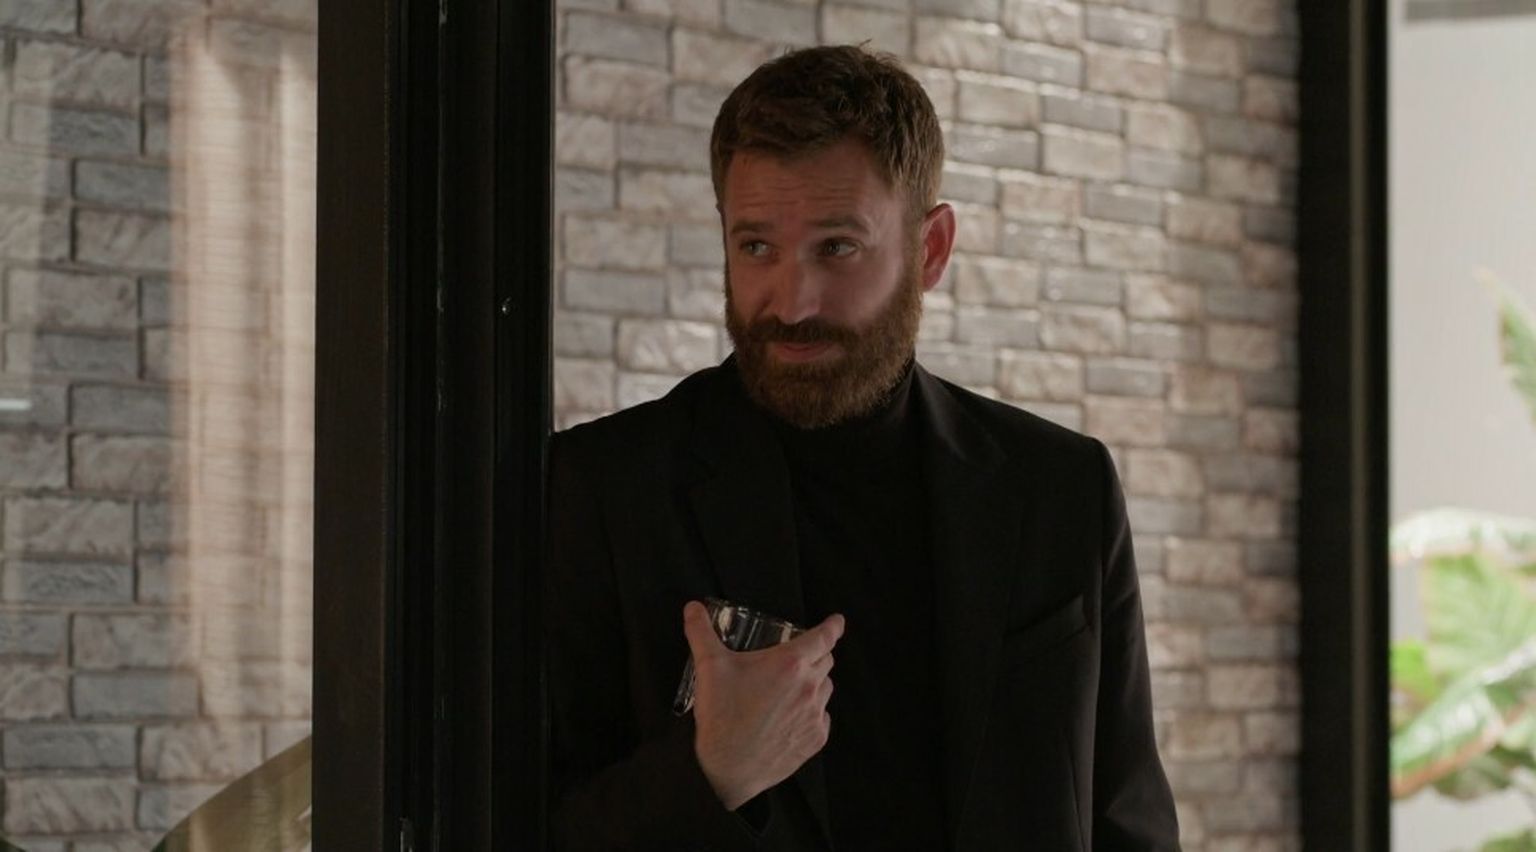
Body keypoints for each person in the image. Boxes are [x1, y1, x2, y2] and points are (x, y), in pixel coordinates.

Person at [545, 44, 1179, 851]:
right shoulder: (606, 489)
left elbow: (1129, 821)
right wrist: (708, 773)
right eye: (756, 247)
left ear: (930, 250)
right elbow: (512, 822)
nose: (792, 301)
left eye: (836, 247)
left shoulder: (1061, 488)